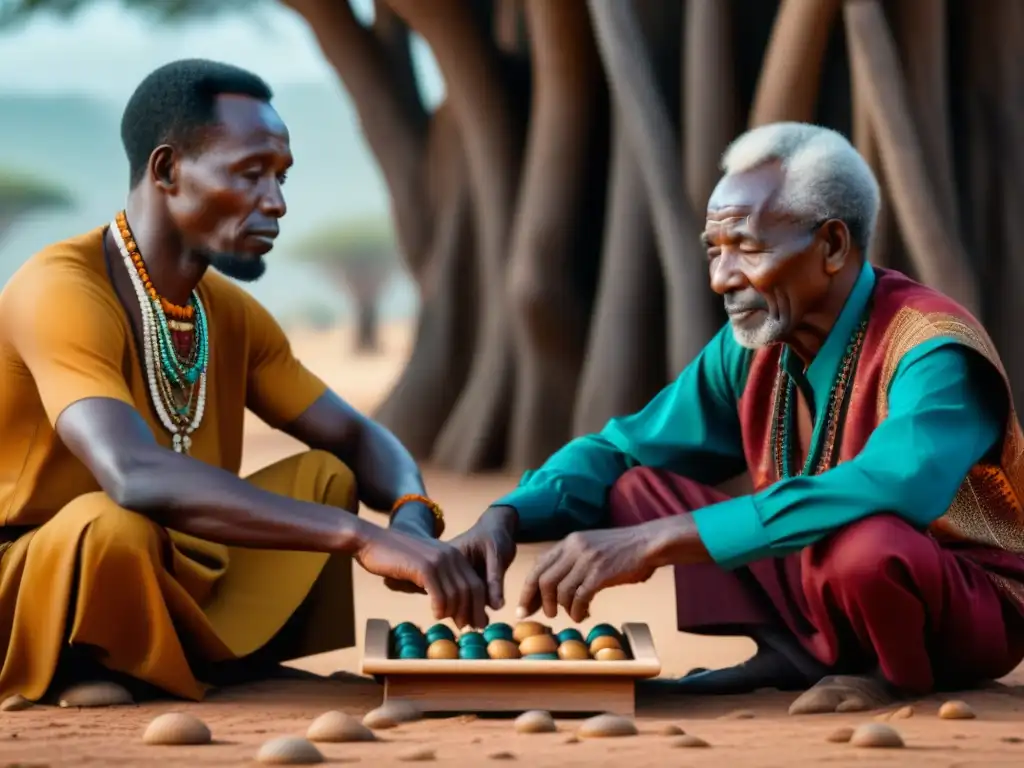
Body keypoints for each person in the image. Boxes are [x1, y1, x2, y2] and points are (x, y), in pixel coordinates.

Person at [450, 122, 1024, 714]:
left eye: (748, 248)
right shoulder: (753, 347)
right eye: (714, 250)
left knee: (865, 544)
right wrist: (509, 515)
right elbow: (627, 447)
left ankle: (893, 673)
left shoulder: (933, 347)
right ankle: (794, 651)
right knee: (638, 487)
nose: (721, 278)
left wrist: (658, 540)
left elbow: (896, 483)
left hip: (965, 605)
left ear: (831, 246)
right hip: (820, 582)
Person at [0, 59, 491, 707]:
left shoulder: (223, 310)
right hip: (45, 576)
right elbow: (131, 474)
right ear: (168, 170)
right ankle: (92, 663)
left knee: (324, 475)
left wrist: (410, 520)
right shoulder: (61, 287)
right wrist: (361, 537)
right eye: (250, 173)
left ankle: (216, 662)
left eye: (282, 177)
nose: (277, 202)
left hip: (173, 552)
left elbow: (355, 435)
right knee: (112, 524)